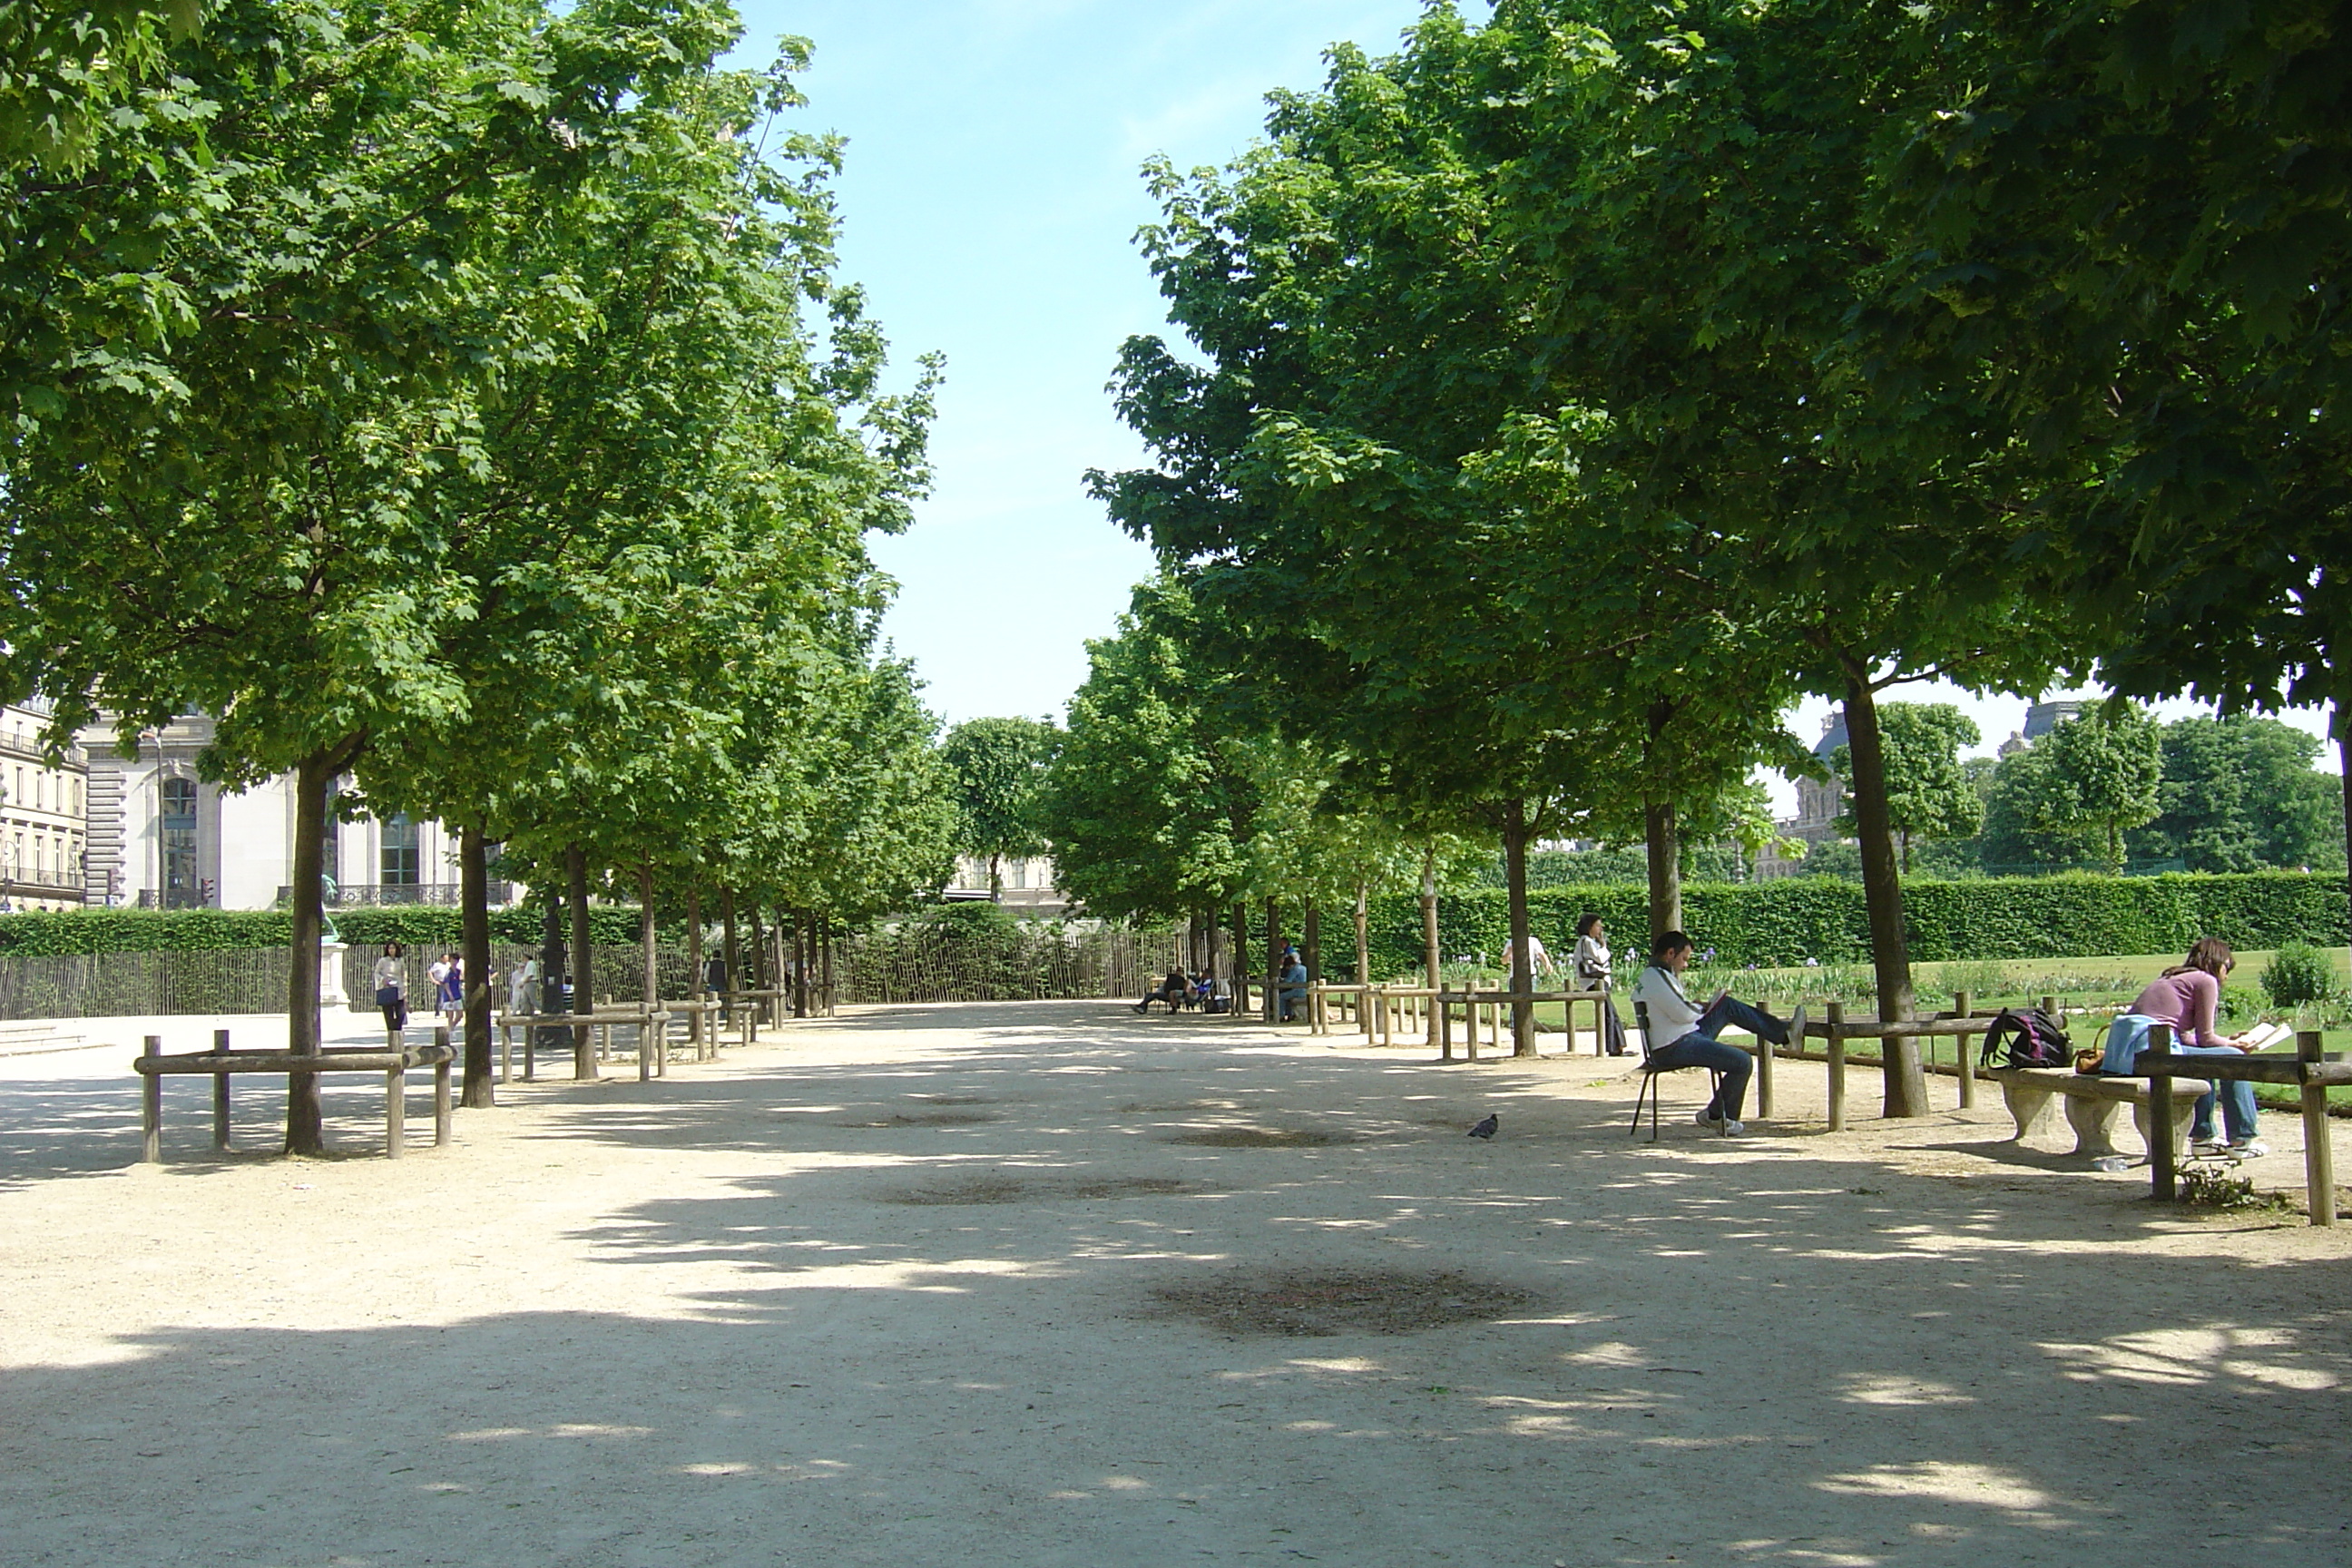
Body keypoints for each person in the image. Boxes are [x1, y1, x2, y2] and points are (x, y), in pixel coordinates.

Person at [2099, 937, 2266, 1157]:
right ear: (2218, 962)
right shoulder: (2205, 980)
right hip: (2156, 1052)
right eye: (2228, 967)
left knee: (2206, 1060)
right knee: (2234, 1058)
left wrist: (2226, 1041)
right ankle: (2242, 1139)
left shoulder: (2172, 977)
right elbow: (2206, 1038)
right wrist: (2235, 1045)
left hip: (2135, 1055)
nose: (2226, 975)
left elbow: (2188, 1040)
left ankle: (2203, 1138)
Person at [1630, 930, 1791, 1134]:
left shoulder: (1655, 976)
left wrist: (1702, 1007)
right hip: (1675, 1045)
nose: (1686, 964)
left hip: (1680, 1038)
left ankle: (1784, 1035)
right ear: (1670, 953)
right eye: (1684, 958)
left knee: (1727, 1006)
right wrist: (1701, 1009)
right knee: (1741, 1062)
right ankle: (1717, 1116)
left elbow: (1680, 1010)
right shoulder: (1657, 978)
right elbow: (1683, 1013)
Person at [1573, 912, 1629, 1056]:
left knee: (1611, 1013)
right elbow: (1600, 959)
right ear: (1589, 927)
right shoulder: (1586, 941)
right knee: (1609, 1014)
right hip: (1594, 982)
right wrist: (1604, 946)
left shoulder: (1589, 942)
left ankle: (1617, 1045)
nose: (1600, 929)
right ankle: (1613, 1047)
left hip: (1599, 982)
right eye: (1597, 925)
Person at [373, 942, 409, 1035]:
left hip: (398, 988)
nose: (391, 950)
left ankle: (397, 1030)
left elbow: (403, 974)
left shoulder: (400, 960)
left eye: (393, 948)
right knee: (388, 1013)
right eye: (390, 948)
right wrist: (382, 980)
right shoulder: (383, 961)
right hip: (387, 987)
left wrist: (405, 988)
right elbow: (376, 973)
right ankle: (391, 1032)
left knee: (401, 1013)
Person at [1277, 951, 1309, 1022]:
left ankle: (1281, 1015)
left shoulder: (1294, 969)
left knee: (1281, 997)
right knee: (1287, 997)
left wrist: (1282, 980)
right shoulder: (1304, 968)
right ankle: (1290, 1014)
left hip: (1297, 991)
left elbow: (1288, 981)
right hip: (1304, 990)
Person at [436, 953, 465, 1028]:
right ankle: (450, 1031)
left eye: (456, 960)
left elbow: (462, 979)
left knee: (460, 1014)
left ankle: (452, 1027)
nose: (454, 962)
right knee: (450, 1016)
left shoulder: (458, 971)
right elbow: (446, 985)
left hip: (457, 995)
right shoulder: (448, 972)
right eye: (452, 960)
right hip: (449, 997)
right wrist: (450, 995)